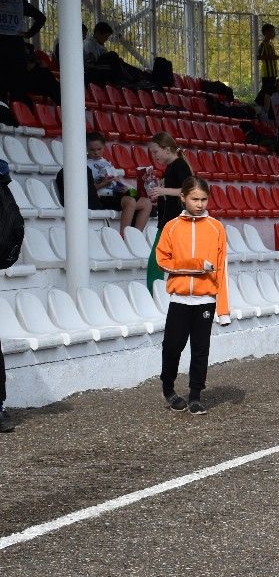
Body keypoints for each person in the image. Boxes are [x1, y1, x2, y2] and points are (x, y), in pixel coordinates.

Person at [155, 177, 231, 415]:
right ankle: (169, 389)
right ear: (183, 198)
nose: (200, 204)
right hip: (179, 299)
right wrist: (196, 265)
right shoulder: (171, 227)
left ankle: (196, 395)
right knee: (172, 347)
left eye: (204, 199)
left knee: (200, 349)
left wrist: (224, 310)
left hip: (205, 300)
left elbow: (222, 270)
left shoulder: (216, 228)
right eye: (194, 199)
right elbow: (162, 261)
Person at [145, 132, 194, 289]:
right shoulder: (170, 168)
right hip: (168, 221)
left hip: (174, 222)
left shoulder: (179, 165)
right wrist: (158, 192)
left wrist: (163, 191)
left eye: (155, 151)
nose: (153, 156)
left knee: (156, 262)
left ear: (167, 149)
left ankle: (153, 296)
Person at [86, 132, 153, 233]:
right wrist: (103, 183)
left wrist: (121, 186)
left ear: (104, 147)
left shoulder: (107, 163)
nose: (96, 152)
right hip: (102, 197)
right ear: (86, 148)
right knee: (130, 201)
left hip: (116, 194)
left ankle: (136, 234)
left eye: (99, 149)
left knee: (146, 202)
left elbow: (116, 181)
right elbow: (88, 190)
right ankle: (124, 235)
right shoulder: (85, 165)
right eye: (92, 150)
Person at [0, 0, 45, 105]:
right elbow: (41, 17)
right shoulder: (20, 3)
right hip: (16, 48)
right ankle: (17, 119)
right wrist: (29, 33)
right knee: (16, 89)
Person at [256, 23, 279, 95]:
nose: (274, 33)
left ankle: (267, 105)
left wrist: (274, 57)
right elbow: (258, 57)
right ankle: (259, 103)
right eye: (272, 31)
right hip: (267, 73)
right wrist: (272, 57)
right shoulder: (263, 45)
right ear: (266, 33)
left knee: (271, 91)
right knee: (266, 91)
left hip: (272, 72)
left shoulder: (270, 44)